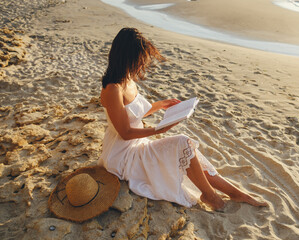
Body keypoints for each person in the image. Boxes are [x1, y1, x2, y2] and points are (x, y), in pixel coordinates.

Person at [98, 27, 267, 211]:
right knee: (182, 143)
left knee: (187, 150)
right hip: (123, 156)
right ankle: (210, 196)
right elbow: (125, 132)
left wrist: (160, 105)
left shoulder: (128, 80)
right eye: (139, 60)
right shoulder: (113, 89)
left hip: (138, 144)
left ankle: (234, 192)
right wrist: (159, 130)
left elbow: (132, 114)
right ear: (127, 57)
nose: (142, 65)